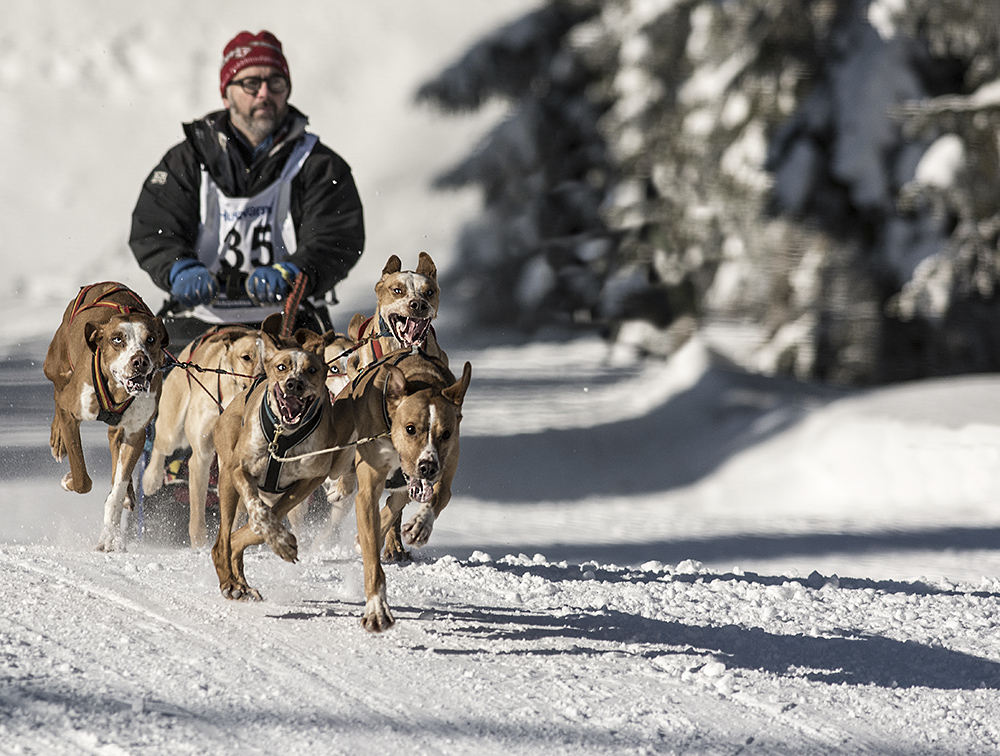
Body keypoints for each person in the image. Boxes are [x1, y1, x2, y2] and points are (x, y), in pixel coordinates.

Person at [129, 30, 365, 339]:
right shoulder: (187, 159)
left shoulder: (318, 164)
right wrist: (180, 269)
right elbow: (154, 227)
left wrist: (294, 271)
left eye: (275, 83)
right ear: (226, 93)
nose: (264, 93)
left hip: (292, 324)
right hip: (198, 322)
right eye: (251, 83)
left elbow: (337, 237)